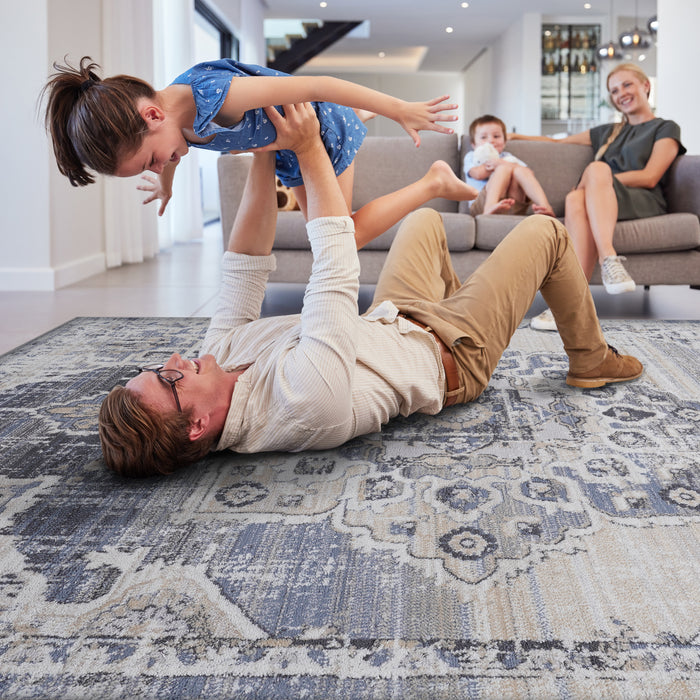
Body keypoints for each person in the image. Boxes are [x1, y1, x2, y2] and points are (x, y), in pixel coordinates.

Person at [98, 102, 643, 478]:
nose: (175, 358)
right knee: (547, 232)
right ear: (197, 426)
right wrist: (309, 151)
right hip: (452, 353)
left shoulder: (214, 363)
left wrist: (265, 149)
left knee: (424, 224)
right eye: (169, 377)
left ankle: (466, 298)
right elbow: (334, 269)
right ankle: (591, 359)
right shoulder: (302, 403)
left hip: (395, 318)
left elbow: (243, 267)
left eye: (159, 365)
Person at [42, 56, 468, 248]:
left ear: (152, 115)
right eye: (147, 170)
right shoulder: (173, 122)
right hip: (287, 148)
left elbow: (317, 85)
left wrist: (399, 108)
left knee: (343, 238)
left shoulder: (218, 96)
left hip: (316, 133)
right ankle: (356, 116)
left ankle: (434, 180)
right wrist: (166, 184)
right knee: (333, 232)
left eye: (151, 161)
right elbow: (178, 149)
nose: (159, 165)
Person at [509, 63, 685, 331]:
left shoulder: (665, 127)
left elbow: (650, 175)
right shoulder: (608, 131)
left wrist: (597, 180)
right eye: (614, 91)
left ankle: (608, 258)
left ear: (645, 86)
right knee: (573, 199)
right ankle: (570, 303)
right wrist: (514, 136)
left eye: (627, 85)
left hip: (642, 199)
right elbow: (557, 143)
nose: (621, 94)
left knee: (597, 169)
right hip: (600, 199)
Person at [463, 114, 555, 217]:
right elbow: (477, 174)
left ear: (504, 142)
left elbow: (528, 173)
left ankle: (545, 206)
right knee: (504, 168)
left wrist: (505, 163)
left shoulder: (507, 157)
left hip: (513, 204)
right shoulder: (471, 156)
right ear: (474, 144)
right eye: (484, 137)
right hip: (481, 205)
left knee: (518, 170)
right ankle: (490, 206)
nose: (491, 140)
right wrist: (496, 165)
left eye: (496, 136)